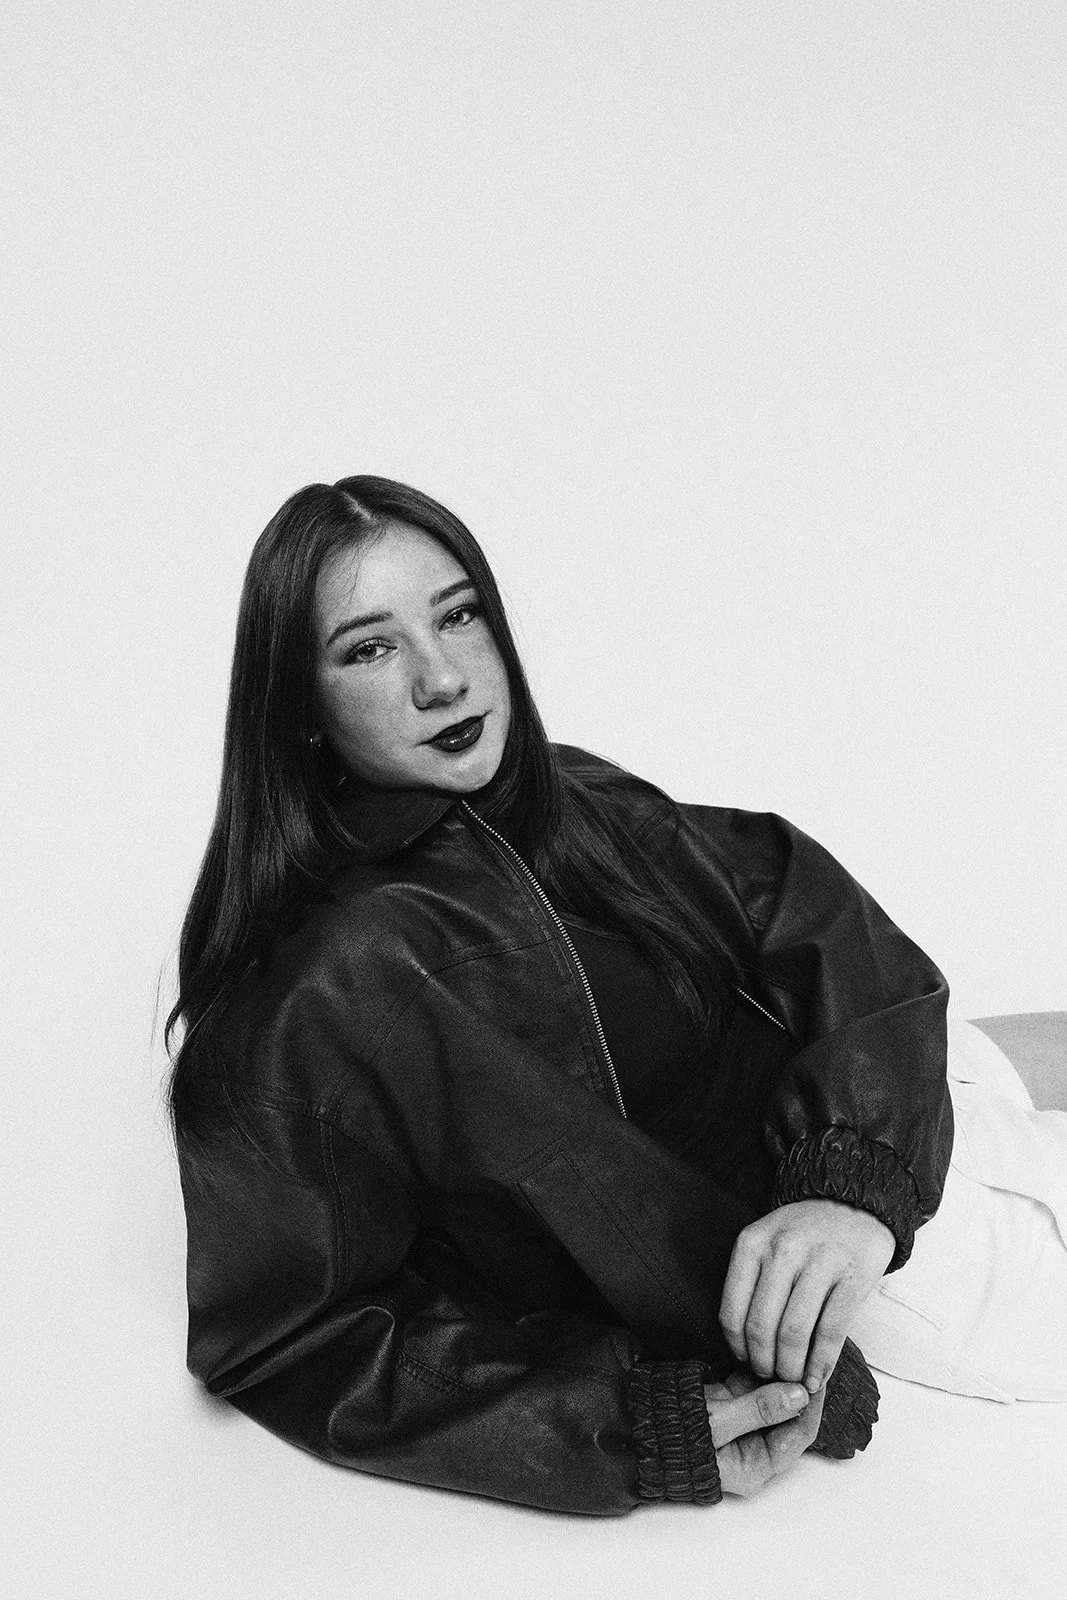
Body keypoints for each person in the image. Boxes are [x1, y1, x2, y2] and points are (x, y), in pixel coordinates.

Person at [167, 475, 1065, 1515]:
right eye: (369, 648)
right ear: (300, 708)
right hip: (869, 1271)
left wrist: (851, 1174)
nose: (442, 677)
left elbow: (793, 896)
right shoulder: (325, 986)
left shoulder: (559, 794)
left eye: (457, 615)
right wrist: (632, 1424)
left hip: (883, 1110)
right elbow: (287, 1337)